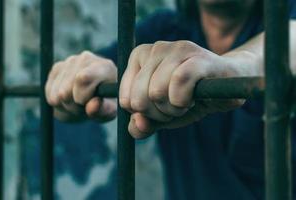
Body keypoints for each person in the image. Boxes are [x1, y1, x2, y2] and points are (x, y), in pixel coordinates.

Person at [45, 0, 296, 199]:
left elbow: (291, 40)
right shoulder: (165, 30)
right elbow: (91, 84)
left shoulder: (285, 13)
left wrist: (237, 66)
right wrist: (80, 81)